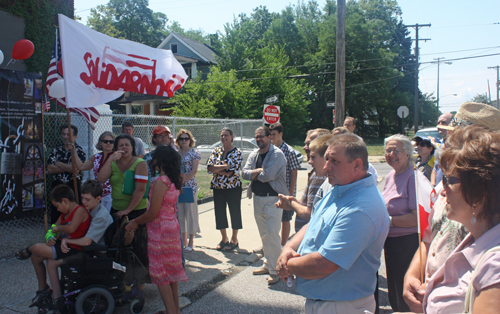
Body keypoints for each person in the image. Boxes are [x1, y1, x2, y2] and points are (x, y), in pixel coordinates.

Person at [403, 102, 500, 313]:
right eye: (449, 137)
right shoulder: (447, 187)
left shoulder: (493, 258)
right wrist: (413, 274)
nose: (446, 143)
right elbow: (430, 237)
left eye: (459, 138)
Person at [277, 134, 389, 314]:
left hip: (342, 306)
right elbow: (313, 223)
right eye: (327, 158)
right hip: (326, 302)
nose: (326, 166)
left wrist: (286, 264)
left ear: (357, 165)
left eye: (334, 161)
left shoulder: (360, 208)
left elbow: (324, 264)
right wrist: (288, 247)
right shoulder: (339, 187)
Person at [125, 145, 188, 314]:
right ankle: (175, 310)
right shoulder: (173, 180)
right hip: (171, 227)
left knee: (160, 273)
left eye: (154, 158)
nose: (152, 161)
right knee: (171, 271)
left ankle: (171, 311)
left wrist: (135, 222)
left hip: (160, 230)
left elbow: (153, 213)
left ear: (159, 161)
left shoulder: (161, 182)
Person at [15, 185, 90, 311]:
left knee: (37, 248)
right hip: (62, 246)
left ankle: (27, 250)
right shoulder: (64, 215)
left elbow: (71, 228)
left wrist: (58, 229)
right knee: (35, 258)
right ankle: (43, 288)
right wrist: (50, 237)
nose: (58, 209)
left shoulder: (79, 211)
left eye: (57, 206)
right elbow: (52, 229)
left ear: (65, 201)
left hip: (73, 247)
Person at [43, 180, 113, 313]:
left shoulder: (101, 216)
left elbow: (87, 241)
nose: (84, 202)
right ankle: (55, 295)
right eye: (82, 198)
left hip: (95, 253)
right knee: (51, 261)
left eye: (87, 199)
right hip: (88, 249)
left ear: (98, 199)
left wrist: (67, 241)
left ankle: (57, 298)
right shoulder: (90, 210)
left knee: (51, 261)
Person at [97, 134, 150, 283]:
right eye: (120, 145)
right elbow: (100, 179)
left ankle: (139, 285)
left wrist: (128, 210)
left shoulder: (140, 163)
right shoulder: (113, 163)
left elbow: (140, 190)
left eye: (127, 145)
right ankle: (121, 281)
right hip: (117, 211)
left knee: (137, 250)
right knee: (117, 249)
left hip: (136, 212)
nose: (124, 147)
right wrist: (110, 160)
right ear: (116, 148)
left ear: (133, 148)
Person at [242, 126, 288, 285]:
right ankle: (268, 265)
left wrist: (255, 173)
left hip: (273, 199)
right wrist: (259, 170)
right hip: (258, 198)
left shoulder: (277, 154)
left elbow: (268, 175)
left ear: (270, 137)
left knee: (273, 235)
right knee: (264, 235)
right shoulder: (254, 154)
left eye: (262, 136)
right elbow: (244, 173)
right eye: (257, 137)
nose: (259, 139)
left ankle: (276, 271)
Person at [382, 134, 418, 312]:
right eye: (388, 150)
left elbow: (415, 218)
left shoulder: (414, 177)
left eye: (396, 150)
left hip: (407, 243)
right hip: (391, 242)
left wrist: (388, 221)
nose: (391, 154)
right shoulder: (391, 174)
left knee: (405, 293)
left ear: (408, 154)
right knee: (394, 288)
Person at [275, 134, 331, 229]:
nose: (309, 161)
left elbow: (310, 214)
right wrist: (298, 204)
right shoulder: (318, 176)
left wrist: (292, 204)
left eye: (313, 157)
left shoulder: (318, 179)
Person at [207, 127, 243, 251]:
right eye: (222, 135)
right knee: (220, 213)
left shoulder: (237, 152)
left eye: (226, 135)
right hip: (218, 187)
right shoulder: (216, 150)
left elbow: (232, 172)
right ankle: (224, 238)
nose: (223, 137)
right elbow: (210, 168)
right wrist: (225, 166)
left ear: (232, 136)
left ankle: (234, 239)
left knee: (235, 212)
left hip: (233, 187)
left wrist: (219, 169)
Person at [293, 128, 331, 232]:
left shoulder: (319, 176)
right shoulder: (316, 172)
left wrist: (291, 204)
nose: (305, 148)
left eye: (309, 144)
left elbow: (309, 214)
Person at [269, 123, 301, 246]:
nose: (272, 137)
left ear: (281, 134)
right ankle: (273, 244)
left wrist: (290, 194)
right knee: (273, 219)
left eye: (274, 134)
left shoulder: (289, 151)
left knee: (285, 219)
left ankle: (283, 245)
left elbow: (294, 173)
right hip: (273, 191)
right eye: (270, 134)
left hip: (286, 190)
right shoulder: (270, 150)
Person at [47, 124, 86, 223]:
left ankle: (72, 234)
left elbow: (76, 169)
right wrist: (68, 167)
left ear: (75, 137)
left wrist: (59, 164)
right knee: (56, 213)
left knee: (73, 213)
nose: (65, 137)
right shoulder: (56, 150)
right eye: (63, 134)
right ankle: (54, 235)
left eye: (68, 134)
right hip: (58, 186)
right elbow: (50, 168)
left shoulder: (79, 151)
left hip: (73, 186)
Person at [73, 131, 115, 211]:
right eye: (105, 141)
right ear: (100, 143)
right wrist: (74, 152)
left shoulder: (115, 156)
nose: (108, 143)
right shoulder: (97, 156)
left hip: (111, 193)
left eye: (111, 141)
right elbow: (81, 166)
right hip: (97, 194)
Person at [175, 129, 201, 252]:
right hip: (177, 188)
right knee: (180, 214)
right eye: (181, 139)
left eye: (186, 139)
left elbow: (194, 171)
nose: (184, 141)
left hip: (190, 188)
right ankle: (183, 240)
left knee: (190, 214)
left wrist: (182, 180)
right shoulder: (175, 153)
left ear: (190, 140)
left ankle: (191, 241)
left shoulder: (194, 152)